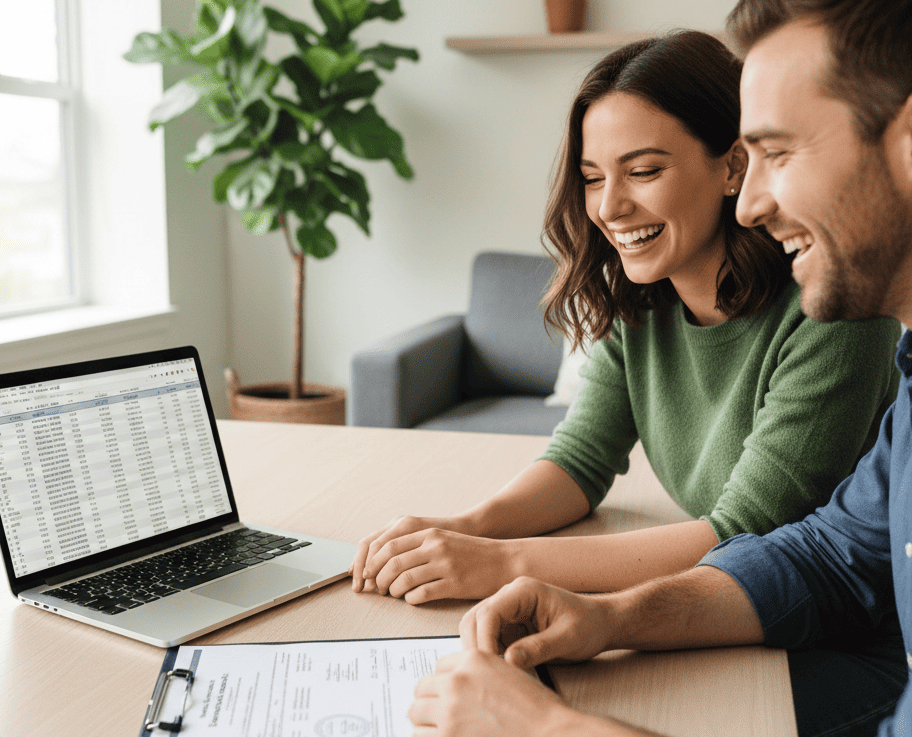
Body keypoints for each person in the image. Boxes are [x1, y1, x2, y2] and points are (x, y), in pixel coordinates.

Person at [407, 0, 912, 737]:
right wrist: (609, 616)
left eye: (777, 152)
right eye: (592, 176)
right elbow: (828, 555)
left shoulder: (836, 318)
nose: (753, 202)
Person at [351, 30, 900, 605]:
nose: (609, 207)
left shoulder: (834, 310)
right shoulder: (641, 302)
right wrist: (464, 529)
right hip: (735, 600)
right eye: (592, 178)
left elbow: (744, 533)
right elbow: (580, 461)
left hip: (836, 618)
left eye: (643, 171)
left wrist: (502, 563)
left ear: (733, 167)